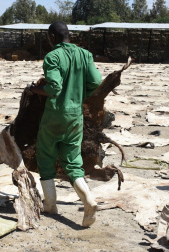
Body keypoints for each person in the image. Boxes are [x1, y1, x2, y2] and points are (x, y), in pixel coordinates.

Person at [28, 21, 102, 227]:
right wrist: (79, 96)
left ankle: (50, 205)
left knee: (45, 157)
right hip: (75, 116)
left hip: (54, 116)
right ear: (68, 35)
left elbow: (54, 88)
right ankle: (88, 199)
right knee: (73, 161)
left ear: (52, 37)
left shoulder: (52, 57)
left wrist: (33, 90)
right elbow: (96, 81)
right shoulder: (85, 55)